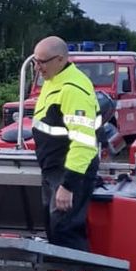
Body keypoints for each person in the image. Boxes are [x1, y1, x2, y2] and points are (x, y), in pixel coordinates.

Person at [31, 35, 99, 251]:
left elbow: (84, 142)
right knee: (54, 229)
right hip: (53, 168)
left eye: (42, 62)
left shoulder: (72, 89)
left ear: (60, 59)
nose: (37, 67)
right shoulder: (53, 81)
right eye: (35, 61)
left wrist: (68, 185)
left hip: (69, 170)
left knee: (66, 230)